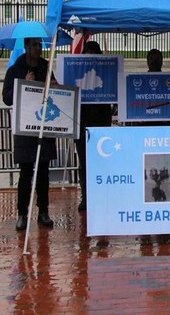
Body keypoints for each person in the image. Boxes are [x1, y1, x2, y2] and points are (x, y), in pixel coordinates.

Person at [2, 37, 56, 231]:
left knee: (43, 172)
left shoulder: (46, 69)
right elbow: (7, 98)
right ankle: (22, 214)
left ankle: (43, 211)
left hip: (43, 126)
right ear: (26, 47)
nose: (37, 48)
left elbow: (56, 92)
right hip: (25, 129)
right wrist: (23, 84)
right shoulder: (15, 70)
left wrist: (54, 85)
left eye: (39, 44)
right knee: (26, 173)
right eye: (33, 45)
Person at [75, 41, 113, 212]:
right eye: (86, 54)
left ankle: (101, 195)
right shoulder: (76, 73)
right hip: (81, 124)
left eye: (93, 54)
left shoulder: (105, 73)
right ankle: (86, 196)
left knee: (101, 163)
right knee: (83, 163)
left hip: (101, 124)